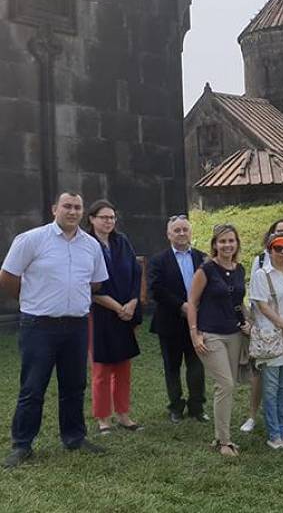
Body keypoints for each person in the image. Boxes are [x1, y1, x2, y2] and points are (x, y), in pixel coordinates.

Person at [1, 192, 108, 469]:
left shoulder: (91, 246)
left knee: (74, 385)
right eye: (67, 206)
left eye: (77, 207)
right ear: (54, 209)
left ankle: (74, 437)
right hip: (39, 326)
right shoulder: (31, 239)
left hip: (76, 326)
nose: (72, 212)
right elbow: (8, 275)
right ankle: (22, 445)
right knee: (33, 386)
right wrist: (28, 299)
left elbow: (96, 282)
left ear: (83, 212)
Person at [186, 224, 250, 457]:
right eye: (222, 241)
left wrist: (247, 321)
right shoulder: (206, 270)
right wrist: (194, 333)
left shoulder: (240, 269)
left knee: (226, 387)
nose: (227, 245)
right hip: (210, 335)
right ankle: (224, 442)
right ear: (215, 244)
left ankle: (219, 436)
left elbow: (238, 301)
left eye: (231, 241)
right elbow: (192, 302)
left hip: (234, 334)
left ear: (237, 243)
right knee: (225, 384)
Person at [241, 218, 283, 433]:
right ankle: (274, 432)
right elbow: (261, 305)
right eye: (278, 247)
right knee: (269, 387)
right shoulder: (262, 272)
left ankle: (281, 427)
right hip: (271, 335)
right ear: (270, 248)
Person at [85, 200, 143, 433]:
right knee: (102, 368)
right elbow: (88, 284)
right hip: (100, 313)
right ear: (92, 219)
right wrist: (117, 307)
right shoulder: (85, 244)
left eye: (111, 217)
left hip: (126, 312)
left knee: (123, 366)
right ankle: (103, 418)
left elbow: (136, 273)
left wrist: (133, 301)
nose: (108, 221)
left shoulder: (122, 241)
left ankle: (123, 414)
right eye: (103, 217)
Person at [148, 215, 208, 424]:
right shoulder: (158, 260)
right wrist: (181, 306)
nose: (182, 233)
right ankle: (175, 407)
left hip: (198, 322)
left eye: (185, 229)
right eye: (177, 230)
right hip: (170, 322)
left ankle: (197, 407)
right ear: (168, 234)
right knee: (172, 367)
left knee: (197, 366)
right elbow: (156, 289)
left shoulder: (203, 258)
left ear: (190, 232)